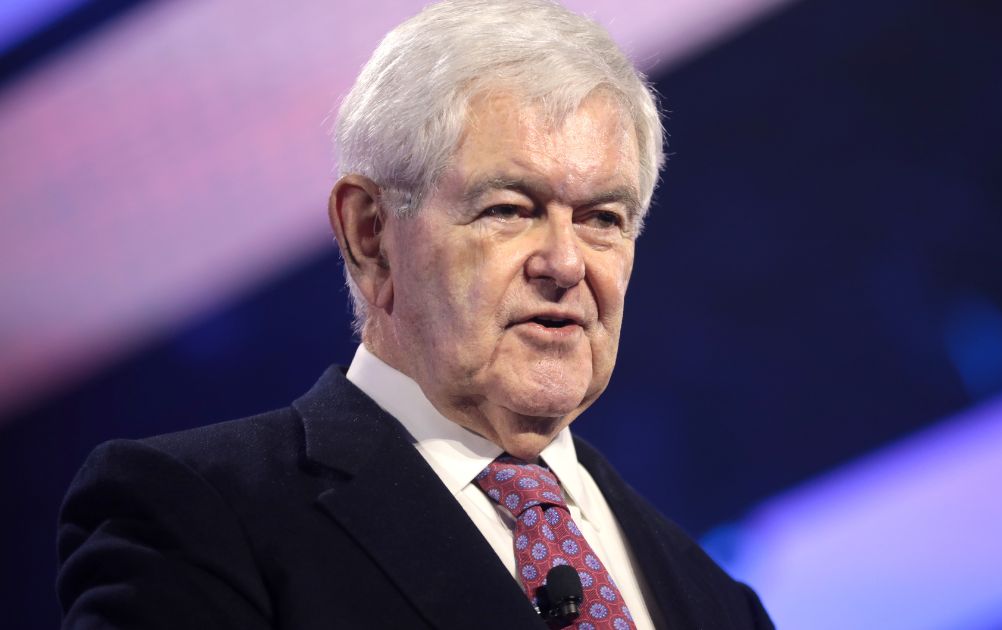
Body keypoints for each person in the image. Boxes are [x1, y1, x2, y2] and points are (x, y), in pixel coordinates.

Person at [57, 1, 774, 628]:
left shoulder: (716, 603)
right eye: (509, 210)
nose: (565, 263)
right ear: (370, 231)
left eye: (602, 218)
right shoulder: (198, 515)